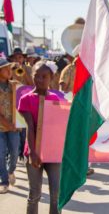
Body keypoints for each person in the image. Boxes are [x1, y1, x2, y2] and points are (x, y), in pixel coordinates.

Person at [18, 60, 62, 214]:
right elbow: (31, 127)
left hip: (53, 153)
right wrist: (33, 152)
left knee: (56, 194)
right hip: (33, 151)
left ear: (51, 78)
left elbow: (58, 127)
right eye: (37, 76)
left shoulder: (56, 100)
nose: (40, 80)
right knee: (35, 194)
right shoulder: (26, 99)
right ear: (32, 76)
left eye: (44, 76)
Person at [0, 58, 19, 194]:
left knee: (14, 153)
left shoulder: (15, 85)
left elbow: (28, 92)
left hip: (14, 126)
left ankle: (11, 170)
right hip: (1, 127)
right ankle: (4, 181)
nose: (9, 70)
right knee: (0, 155)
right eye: (6, 68)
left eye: (9, 68)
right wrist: (8, 125)